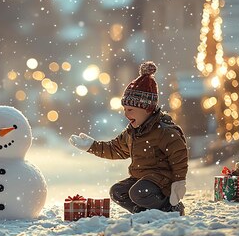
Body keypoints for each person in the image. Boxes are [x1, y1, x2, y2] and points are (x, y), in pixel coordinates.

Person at [69, 61, 188, 216]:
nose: (126, 114)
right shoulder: (132, 132)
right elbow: (115, 149)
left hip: (161, 182)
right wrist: (91, 146)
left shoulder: (164, 131)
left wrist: (179, 181)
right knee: (117, 192)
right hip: (141, 179)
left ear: (147, 108)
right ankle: (142, 212)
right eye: (125, 109)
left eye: (130, 109)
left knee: (138, 193)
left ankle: (170, 208)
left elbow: (179, 156)